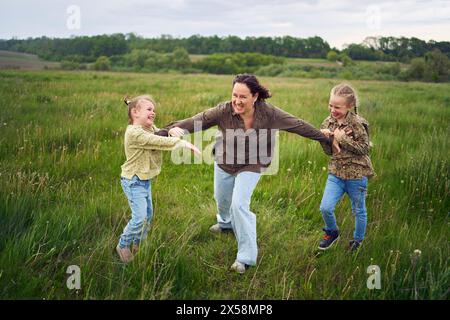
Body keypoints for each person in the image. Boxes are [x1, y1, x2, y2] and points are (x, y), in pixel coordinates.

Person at [161, 74, 331, 273]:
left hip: (253, 163)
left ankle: (245, 257)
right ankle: (225, 224)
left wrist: (324, 137)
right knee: (222, 200)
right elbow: (195, 121)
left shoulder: (270, 113)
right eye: (235, 95)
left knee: (239, 205)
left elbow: (298, 125)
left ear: (255, 96)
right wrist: (169, 130)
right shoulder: (223, 111)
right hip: (225, 161)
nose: (237, 101)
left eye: (243, 97)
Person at [116, 95, 200, 263]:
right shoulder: (134, 133)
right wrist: (182, 143)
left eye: (154, 110)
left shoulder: (148, 128)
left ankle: (138, 244)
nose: (153, 113)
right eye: (149, 109)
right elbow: (156, 140)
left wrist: (170, 131)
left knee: (148, 215)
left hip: (144, 180)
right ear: (135, 112)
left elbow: (159, 132)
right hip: (133, 181)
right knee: (139, 217)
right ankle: (123, 245)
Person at [318, 83, 375, 252]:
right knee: (325, 207)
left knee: (359, 210)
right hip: (336, 174)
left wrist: (343, 139)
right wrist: (325, 139)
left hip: (356, 175)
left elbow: (364, 149)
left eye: (337, 107)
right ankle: (332, 231)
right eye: (330, 105)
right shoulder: (327, 122)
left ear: (349, 106)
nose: (332, 110)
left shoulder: (358, 123)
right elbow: (329, 152)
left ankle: (357, 241)